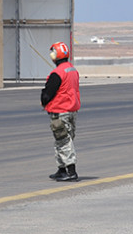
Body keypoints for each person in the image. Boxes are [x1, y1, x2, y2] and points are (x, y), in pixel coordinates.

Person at [40, 41, 80, 181]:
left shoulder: (57, 73)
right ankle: (61, 169)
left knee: (63, 141)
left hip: (60, 112)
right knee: (63, 140)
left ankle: (71, 171)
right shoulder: (72, 70)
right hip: (71, 110)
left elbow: (47, 94)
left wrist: (44, 100)